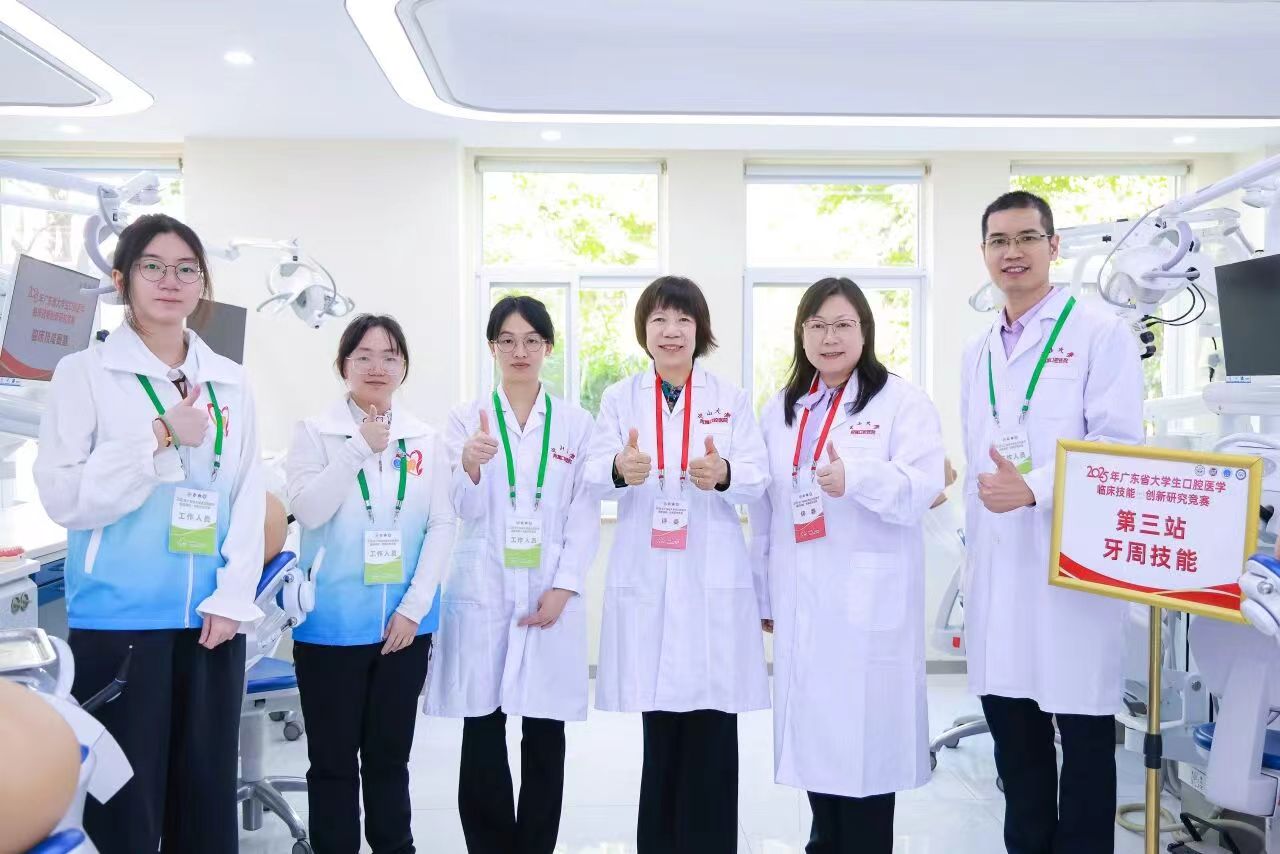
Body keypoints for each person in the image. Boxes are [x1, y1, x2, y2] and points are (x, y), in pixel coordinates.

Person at [35, 213, 265, 854]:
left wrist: (233, 596)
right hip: (121, 624)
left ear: (202, 284)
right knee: (125, 812)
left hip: (211, 623)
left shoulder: (230, 379)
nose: (171, 280)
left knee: (205, 804)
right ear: (121, 280)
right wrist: (157, 436)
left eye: (186, 269)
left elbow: (247, 494)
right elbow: (64, 498)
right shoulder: (84, 373)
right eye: (153, 267)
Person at [961, 191, 1145, 854]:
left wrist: (1035, 489)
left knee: (1086, 748)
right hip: (998, 571)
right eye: (999, 241)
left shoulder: (1100, 332)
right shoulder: (977, 350)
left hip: (1071, 574)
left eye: (1026, 238)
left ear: (1054, 246)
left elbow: (1119, 448)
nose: (1012, 253)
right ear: (984, 252)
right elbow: (979, 459)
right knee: (1018, 753)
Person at [748, 277, 945, 853]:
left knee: (864, 752)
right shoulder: (781, 409)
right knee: (817, 745)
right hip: (801, 598)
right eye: (817, 326)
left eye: (842, 325)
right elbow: (766, 511)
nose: (829, 338)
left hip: (867, 606)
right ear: (801, 334)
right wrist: (764, 594)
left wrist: (856, 477)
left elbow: (924, 484)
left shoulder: (901, 402)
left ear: (865, 332)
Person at [584, 275, 771, 854]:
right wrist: (619, 468)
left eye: (683, 320)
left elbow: (759, 476)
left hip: (710, 579)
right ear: (644, 330)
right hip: (650, 579)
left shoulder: (730, 399)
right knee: (660, 735)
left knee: (713, 732)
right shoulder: (620, 398)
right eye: (659, 319)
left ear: (700, 331)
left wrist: (726, 474)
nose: (671, 331)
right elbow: (590, 475)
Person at [425, 295, 600, 854]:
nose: (519, 351)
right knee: (482, 727)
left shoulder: (576, 424)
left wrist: (564, 587)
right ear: (492, 347)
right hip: (486, 588)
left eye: (531, 340)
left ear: (548, 347)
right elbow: (463, 508)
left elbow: (583, 513)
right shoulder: (466, 418)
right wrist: (470, 464)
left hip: (548, 588)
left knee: (545, 732)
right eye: (507, 340)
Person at [286, 314, 455, 854]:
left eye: (390, 356)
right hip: (330, 628)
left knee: (389, 759)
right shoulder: (315, 432)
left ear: (404, 367)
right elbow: (309, 511)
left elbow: (442, 524)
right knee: (332, 763)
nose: (377, 367)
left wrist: (414, 608)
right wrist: (357, 447)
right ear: (344, 365)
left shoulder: (426, 438)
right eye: (364, 356)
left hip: (403, 629)